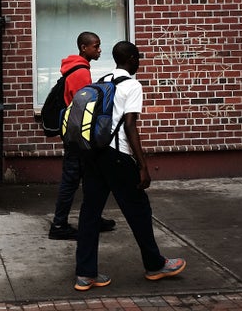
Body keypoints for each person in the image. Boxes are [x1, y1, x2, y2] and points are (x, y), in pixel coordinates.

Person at [73, 41, 186, 291]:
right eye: (139, 58)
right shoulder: (132, 85)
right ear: (132, 59)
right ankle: (155, 265)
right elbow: (130, 126)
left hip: (93, 155)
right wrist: (143, 166)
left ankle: (85, 274)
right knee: (138, 210)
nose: (140, 62)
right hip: (117, 156)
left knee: (90, 214)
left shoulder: (102, 80)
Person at [49, 32, 116, 240]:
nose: (99, 50)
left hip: (75, 133)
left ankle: (92, 218)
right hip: (77, 137)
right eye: (95, 46)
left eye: (99, 46)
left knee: (90, 178)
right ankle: (59, 226)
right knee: (71, 180)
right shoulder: (80, 73)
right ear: (83, 47)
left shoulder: (77, 68)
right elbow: (82, 108)